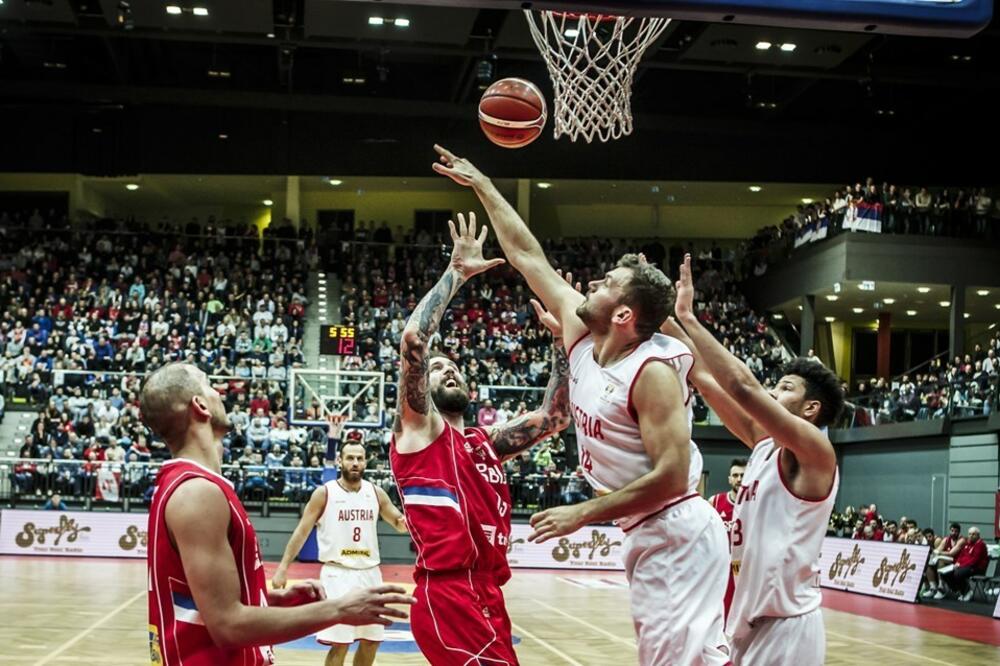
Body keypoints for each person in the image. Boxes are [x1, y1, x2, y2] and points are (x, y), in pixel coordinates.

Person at [433, 147, 728, 665]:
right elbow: (527, 256)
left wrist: (583, 513)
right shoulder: (581, 335)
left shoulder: (651, 373)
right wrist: (483, 183)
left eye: (607, 283)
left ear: (623, 314)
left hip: (677, 528)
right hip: (647, 529)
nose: (591, 283)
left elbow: (672, 475)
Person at [140, 363, 413, 665]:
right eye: (208, 385)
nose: (219, 393)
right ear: (200, 406)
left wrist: (270, 599)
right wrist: (340, 609)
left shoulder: (193, 486)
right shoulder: (197, 494)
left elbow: (207, 603)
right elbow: (228, 626)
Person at [390, 213, 571, 665]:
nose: (448, 368)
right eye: (437, 368)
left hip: (487, 592)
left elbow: (554, 416)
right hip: (449, 594)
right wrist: (457, 273)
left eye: (454, 366)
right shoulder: (419, 433)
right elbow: (414, 339)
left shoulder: (482, 441)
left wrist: (562, 345)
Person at [666, 254, 843, 666]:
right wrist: (662, 315)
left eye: (783, 387)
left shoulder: (816, 452)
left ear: (811, 409)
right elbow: (706, 380)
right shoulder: (764, 444)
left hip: (788, 626)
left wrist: (690, 319)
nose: (772, 391)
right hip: (746, 624)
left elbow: (744, 388)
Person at [272, 415, 408, 666]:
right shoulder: (324, 493)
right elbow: (301, 532)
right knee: (340, 643)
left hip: (370, 574)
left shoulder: (375, 492)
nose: (355, 463)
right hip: (337, 575)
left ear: (365, 462)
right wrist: (282, 568)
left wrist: (416, 517)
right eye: (350, 458)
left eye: (359, 458)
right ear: (340, 461)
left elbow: (399, 523)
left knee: (371, 641)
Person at [708, 458, 748, 615]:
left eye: (743, 475)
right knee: (719, 608)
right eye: (735, 475)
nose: (739, 479)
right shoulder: (715, 501)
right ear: (729, 479)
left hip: (743, 564)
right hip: (722, 563)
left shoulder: (754, 503)